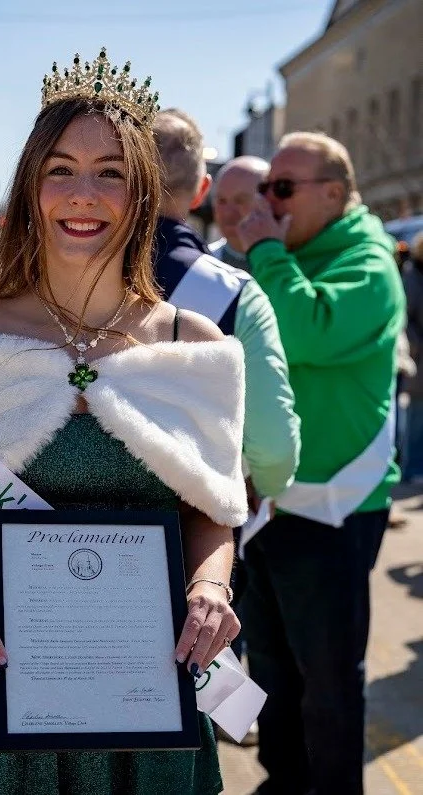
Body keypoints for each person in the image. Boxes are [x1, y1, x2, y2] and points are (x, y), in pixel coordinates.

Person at [0, 48, 249, 794]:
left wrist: (212, 588)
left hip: (145, 706)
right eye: (60, 169)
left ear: (143, 192)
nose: (82, 195)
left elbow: (211, 514)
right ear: (31, 187)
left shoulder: (197, 348)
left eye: (110, 172)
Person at [237, 131, 405, 795]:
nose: (267, 204)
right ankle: (286, 780)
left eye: (282, 189)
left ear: (333, 194)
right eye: (264, 189)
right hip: (273, 502)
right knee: (274, 669)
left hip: (334, 508)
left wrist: (267, 252)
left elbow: (302, 327)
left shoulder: (369, 260)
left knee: (328, 680)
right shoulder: (294, 251)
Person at [152, 109, 300, 744]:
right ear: (202, 192)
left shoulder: (55, 279)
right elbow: (273, 442)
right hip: (197, 538)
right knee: (178, 719)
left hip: (55, 532)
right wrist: (265, 485)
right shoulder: (234, 293)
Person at [208, 156, 270, 271]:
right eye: (221, 201)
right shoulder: (199, 267)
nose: (228, 212)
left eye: (240, 201)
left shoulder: (292, 268)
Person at [402, 231, 423, 482]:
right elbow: (405, 320)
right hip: (419, 360)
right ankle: (411, 469)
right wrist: (416, 347)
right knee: (416, 418)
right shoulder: (412, 276)